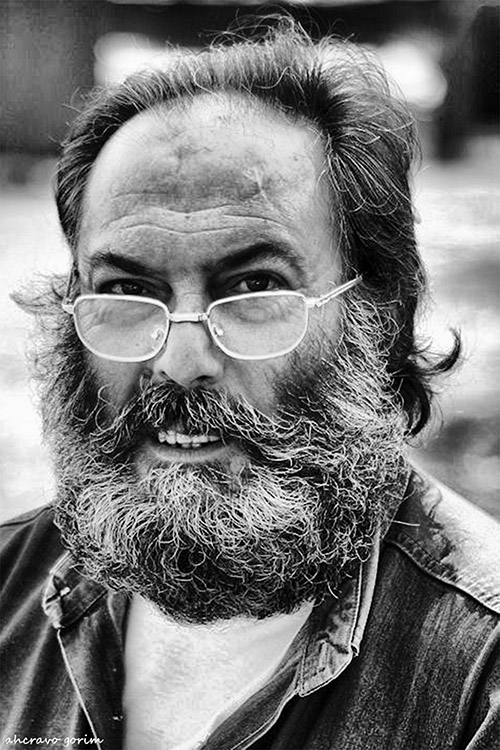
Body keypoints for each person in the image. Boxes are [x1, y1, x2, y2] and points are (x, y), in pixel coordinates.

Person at [1, 17, 498, 750]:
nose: (179, 362)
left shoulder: (479, 677)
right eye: (127, 290)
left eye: (254, 288)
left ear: (381, 316)